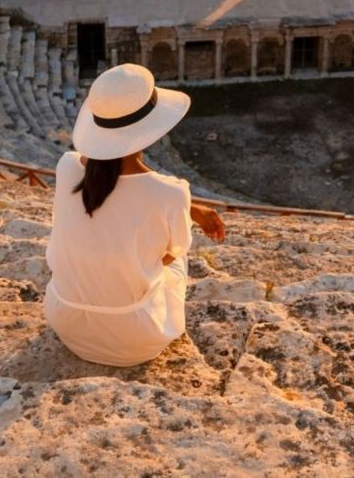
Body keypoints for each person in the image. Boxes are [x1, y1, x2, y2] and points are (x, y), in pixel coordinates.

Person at [44, 62, 224, 367]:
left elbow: (115, 193)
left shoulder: (66, 167)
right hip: (134, 340)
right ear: (150, 128)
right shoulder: (170, 192)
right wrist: (184, 206)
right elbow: (169, 255)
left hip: (67, 323)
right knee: (178, 256)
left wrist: (189, 207)